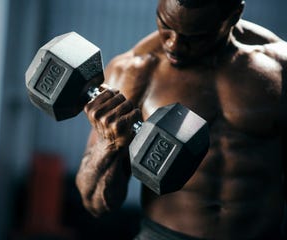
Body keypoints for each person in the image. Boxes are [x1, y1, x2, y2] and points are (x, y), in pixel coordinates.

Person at [75, 0, 287, 239]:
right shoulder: (135, 71)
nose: (173, 45)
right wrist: (109, 144)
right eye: (164, 24)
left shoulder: (280, 68)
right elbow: (94, 202)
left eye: (194, 36)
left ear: (233, 16)